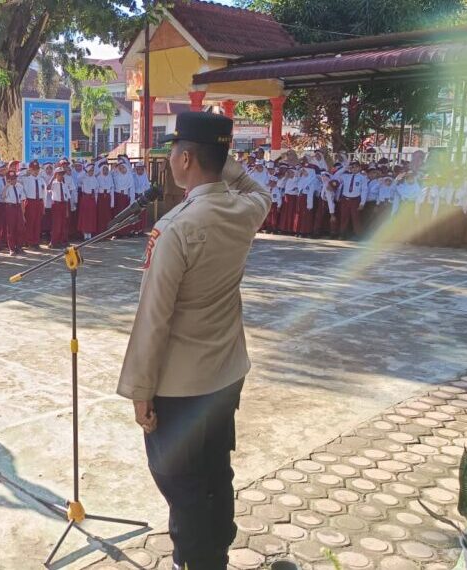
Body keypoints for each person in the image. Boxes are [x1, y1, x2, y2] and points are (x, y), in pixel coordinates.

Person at [116, 112, 269, 570]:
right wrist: (223, 159)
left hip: (181, 387)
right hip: (226, 373)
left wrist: (140, 390)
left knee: (180, 482)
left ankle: (196, 559)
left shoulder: (176, 227)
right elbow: (260, 191)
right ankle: (215, 552)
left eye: (173, 153)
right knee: (215, 470)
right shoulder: (244, 210)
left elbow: (153, 318)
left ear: (185, 160)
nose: (169, 161)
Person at [0, 169, 26, 255]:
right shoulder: (7, 187)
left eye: (14, 178)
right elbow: (3, 196)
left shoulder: (19, 186)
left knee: (20, 228)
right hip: (10, 207)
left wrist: (23, 214)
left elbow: (22, 200)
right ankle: (12, 248)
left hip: (18, 207)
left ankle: (19, 246)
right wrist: (6, 186)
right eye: (11, 179)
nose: (13, 180)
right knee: (11, 228)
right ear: (8, 179)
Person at [337, 161, 366, 239]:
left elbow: (364, 190)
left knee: (356, 218)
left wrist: (362, 203)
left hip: (355, 200)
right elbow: (336, 175)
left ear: (360, 168)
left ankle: (358, 235)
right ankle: (342, 234)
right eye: (352, 167)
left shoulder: (362, 178)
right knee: (344, 217)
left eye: (356, 167)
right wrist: (345, 168)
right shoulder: (346, 176)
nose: (354, 168)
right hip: (345, 199)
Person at [46, 168, 71, 248]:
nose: (61, 176)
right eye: (59, 174)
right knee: (56, 224)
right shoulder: (54, 183)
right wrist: (53, 178)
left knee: (63, 224)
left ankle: (63, 240)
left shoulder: (64, 185)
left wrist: (67, 211)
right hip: (56, 205)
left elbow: (67, 198)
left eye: (62, 174)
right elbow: (48, 188)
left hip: (63, 205)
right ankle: (54, 242)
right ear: (56, 175)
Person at [77, 163, 98, 239]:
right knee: (85, 216)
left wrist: (95, 199)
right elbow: (78, 179)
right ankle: (85, 234)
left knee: (91, 216)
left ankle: (90, 233)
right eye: (90, 170)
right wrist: (85, 170)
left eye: (92, 170)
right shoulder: (83, 178)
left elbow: (96, 189)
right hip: (85, 198)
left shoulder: (94, 179)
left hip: (92, 199)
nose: (91, 172)